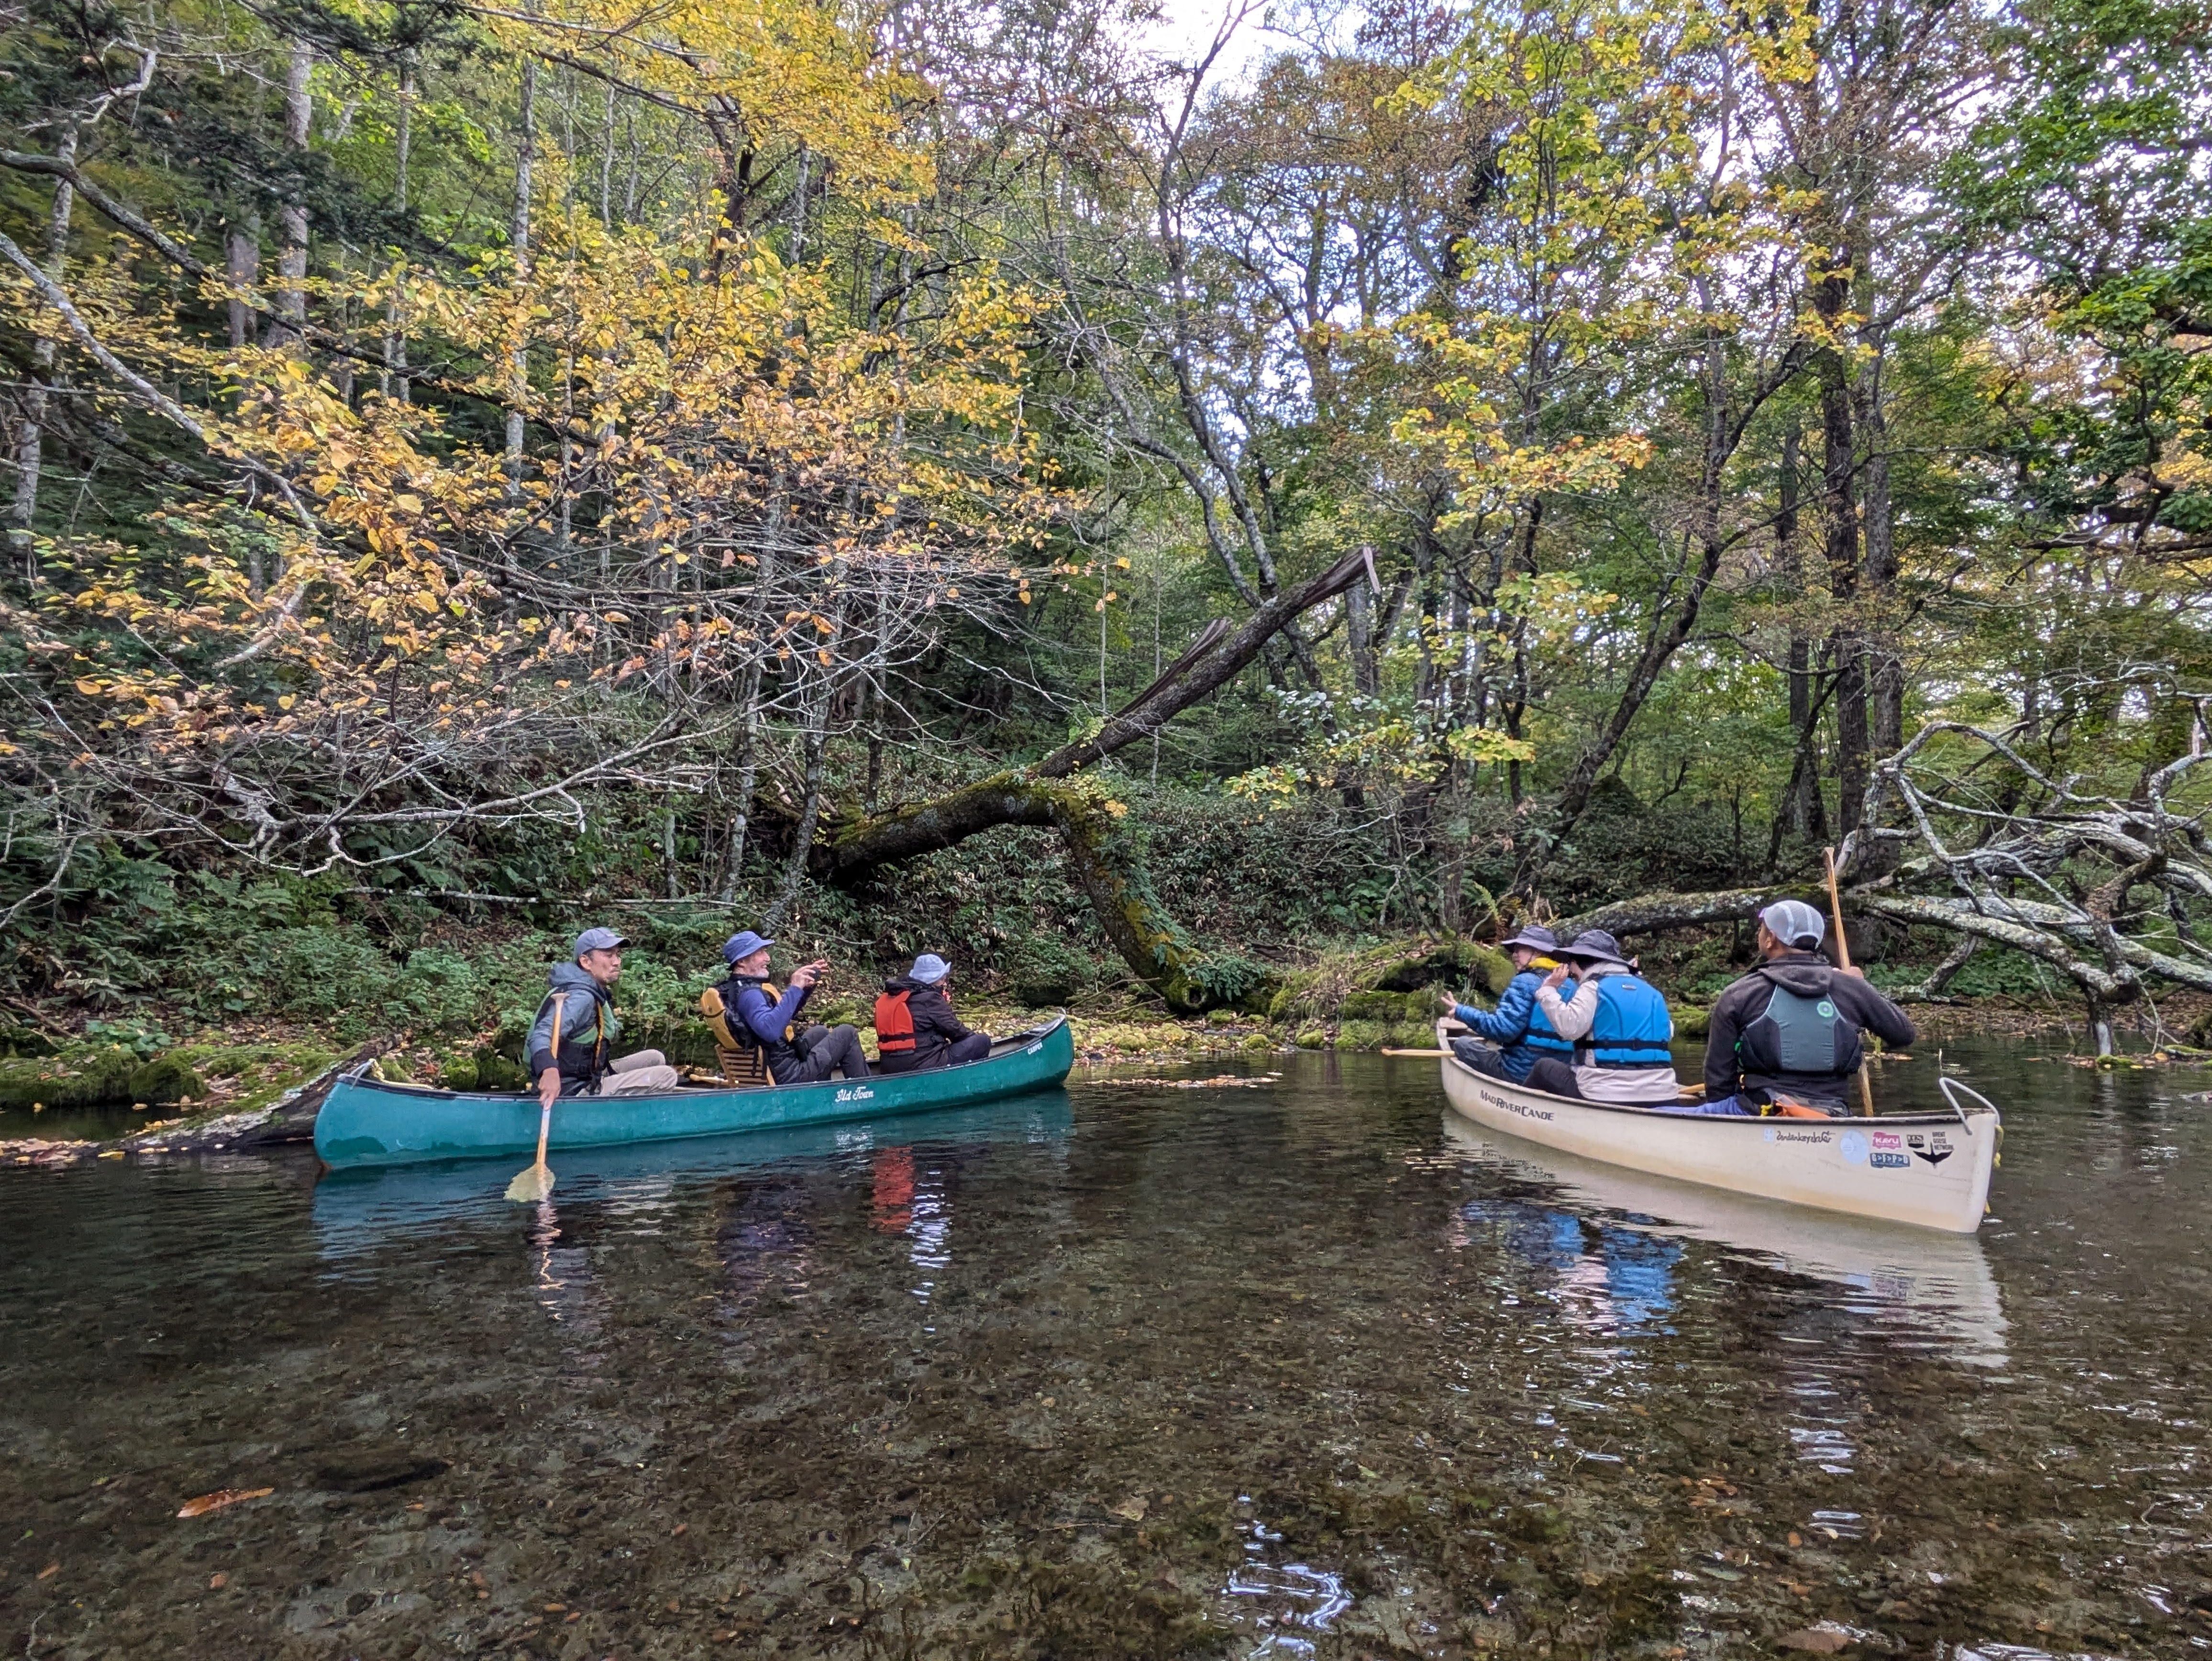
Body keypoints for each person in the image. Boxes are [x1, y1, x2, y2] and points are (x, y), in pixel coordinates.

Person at [1696, 899, 1917, 1116]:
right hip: (1832, 1112)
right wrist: (1861, 986)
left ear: (1771, 939)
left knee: (1669, 1112)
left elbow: (1718, 1079)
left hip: (1758, 1111)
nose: (1759, 935)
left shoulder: (1739, 993)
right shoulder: (1851, 988)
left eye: (1762, 929)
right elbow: (1903, 1034)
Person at [1523, 929, 1682, 1105]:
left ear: (1582, 962)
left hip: (1604, 1092)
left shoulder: (1593, 987)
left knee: (1543, 1067)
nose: (1571, 971)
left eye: (1572, 963)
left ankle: (1522, 1111)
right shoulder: (1653, 993)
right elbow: (1669, 1032)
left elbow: (1569, 1029)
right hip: (1662, 1094)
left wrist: (1548, 990)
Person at [531, 928, 681, 1110]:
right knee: (667, 1076)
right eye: (609, 955)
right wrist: (549, 1070)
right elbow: (541, 1034)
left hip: (588, 1074)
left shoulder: (591, 989)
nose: (617, 962)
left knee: (655, 1058)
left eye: (618, 955)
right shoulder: (581, 997)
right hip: (572, 1089)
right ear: (586, 962)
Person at [712, 930, 872, 1085]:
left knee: (821, 1032)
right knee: (847, 1033)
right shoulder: (750, 995)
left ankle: (822, 1094)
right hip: (790, 1076)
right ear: (742, 961)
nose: (768, 958)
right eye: (761, 953)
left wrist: (804, 988)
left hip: (772, 1065)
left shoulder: (734, 989)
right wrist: (795, 987)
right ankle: (868, 1095)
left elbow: (780, 1018)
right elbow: (771, 1031)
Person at [1437, 924, 1575, 1083]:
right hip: (1557, 1076)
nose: (1514, 955)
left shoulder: (1525, 981)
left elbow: (1503, 1030)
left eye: (1520, 950)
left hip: (1519, 1073)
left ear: (1537, 952)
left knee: (1463, 1044)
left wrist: (1462, 1012)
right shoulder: (1572, 985)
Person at [875, 953, 994, 1073]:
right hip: (922, 1066)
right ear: (931, 980)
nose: (944, 982)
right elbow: (958, 1032)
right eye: (942, 978)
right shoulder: (930, 999)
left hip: (888, 1068)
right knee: (982, 1041)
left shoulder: (894, 996)